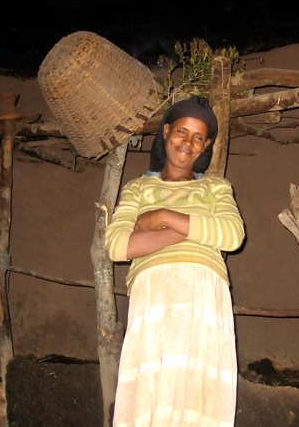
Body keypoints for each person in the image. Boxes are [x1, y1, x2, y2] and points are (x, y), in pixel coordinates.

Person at [105, 96, 246, 427]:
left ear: (206, 145)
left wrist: (160, 216)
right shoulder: (138, 188)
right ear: (166, 131)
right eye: (182, 131)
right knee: (152, 395)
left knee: (199, 398)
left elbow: (232, 235)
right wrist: (197, 229)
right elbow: (116, 245)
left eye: (198, 137)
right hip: (153, 296)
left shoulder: (216, 187)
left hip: (205, 297)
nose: (188, 142)